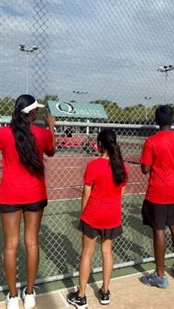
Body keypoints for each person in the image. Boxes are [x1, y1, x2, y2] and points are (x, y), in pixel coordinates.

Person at [0, 95, 55, 309]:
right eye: (36, 110)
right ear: (33, 113)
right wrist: (51, 127)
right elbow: (51, 150)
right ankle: (29, 293)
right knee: (32, 242)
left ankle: (12, 297)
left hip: (10, 194)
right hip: (35, 195)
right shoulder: (42, 134)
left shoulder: (3, 133)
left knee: (10, 245)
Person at [67, 129, 128, 308]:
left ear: (99, 144)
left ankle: (81, 295)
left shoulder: (93, 165)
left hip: (93, 215)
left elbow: (86, 194)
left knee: (87, 253)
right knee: (107, 252)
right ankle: (105, 292)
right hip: (112, 215)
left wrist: (83, 214)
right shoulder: (121, 166)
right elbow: (120, 193)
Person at [139, 105, 174, 288]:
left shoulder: (151, 141)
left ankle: (160, 275)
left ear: (156, 120)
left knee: (159, 230)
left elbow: (145, 169)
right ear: (173, 120)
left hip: (157, 192)